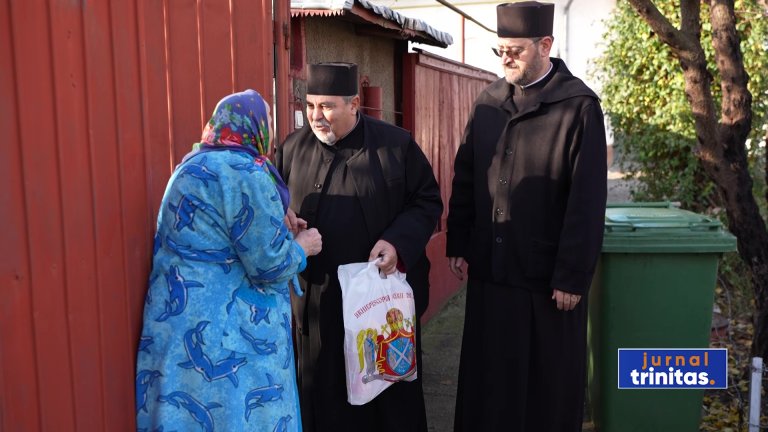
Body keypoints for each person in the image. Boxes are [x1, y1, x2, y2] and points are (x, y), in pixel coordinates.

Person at [446, 2, 607, 431]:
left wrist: (572, 275)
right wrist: (459, 240)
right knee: (490, 387)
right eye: (500, 50)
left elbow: (588, 200)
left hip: (546, 282)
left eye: (515, 50)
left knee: (543, 392)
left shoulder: (578, 107)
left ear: (545, 45)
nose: (506, 59)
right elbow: (467, 174)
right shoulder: (488, 101)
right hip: (491, 274)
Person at [135, 89, 322, 432]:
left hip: (179, 320)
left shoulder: (190, 165)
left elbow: (218, 231)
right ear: (255, 126)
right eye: (268, 119)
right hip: (230, 330)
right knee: (234, 415)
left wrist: (276, 218)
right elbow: (268, 264)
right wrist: (302, 247)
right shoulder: (246, 172)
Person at [276, 62, 442, 432]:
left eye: (327, 106)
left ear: (354, 104)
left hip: (377, 307)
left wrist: (397, 242)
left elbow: (427, 201)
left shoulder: (395, 146)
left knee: (385, 407)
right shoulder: (292, 148)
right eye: (310, 105)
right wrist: (282, 214)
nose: (316, 116)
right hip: (318, 305)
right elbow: (273, 203)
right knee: (323, 396)